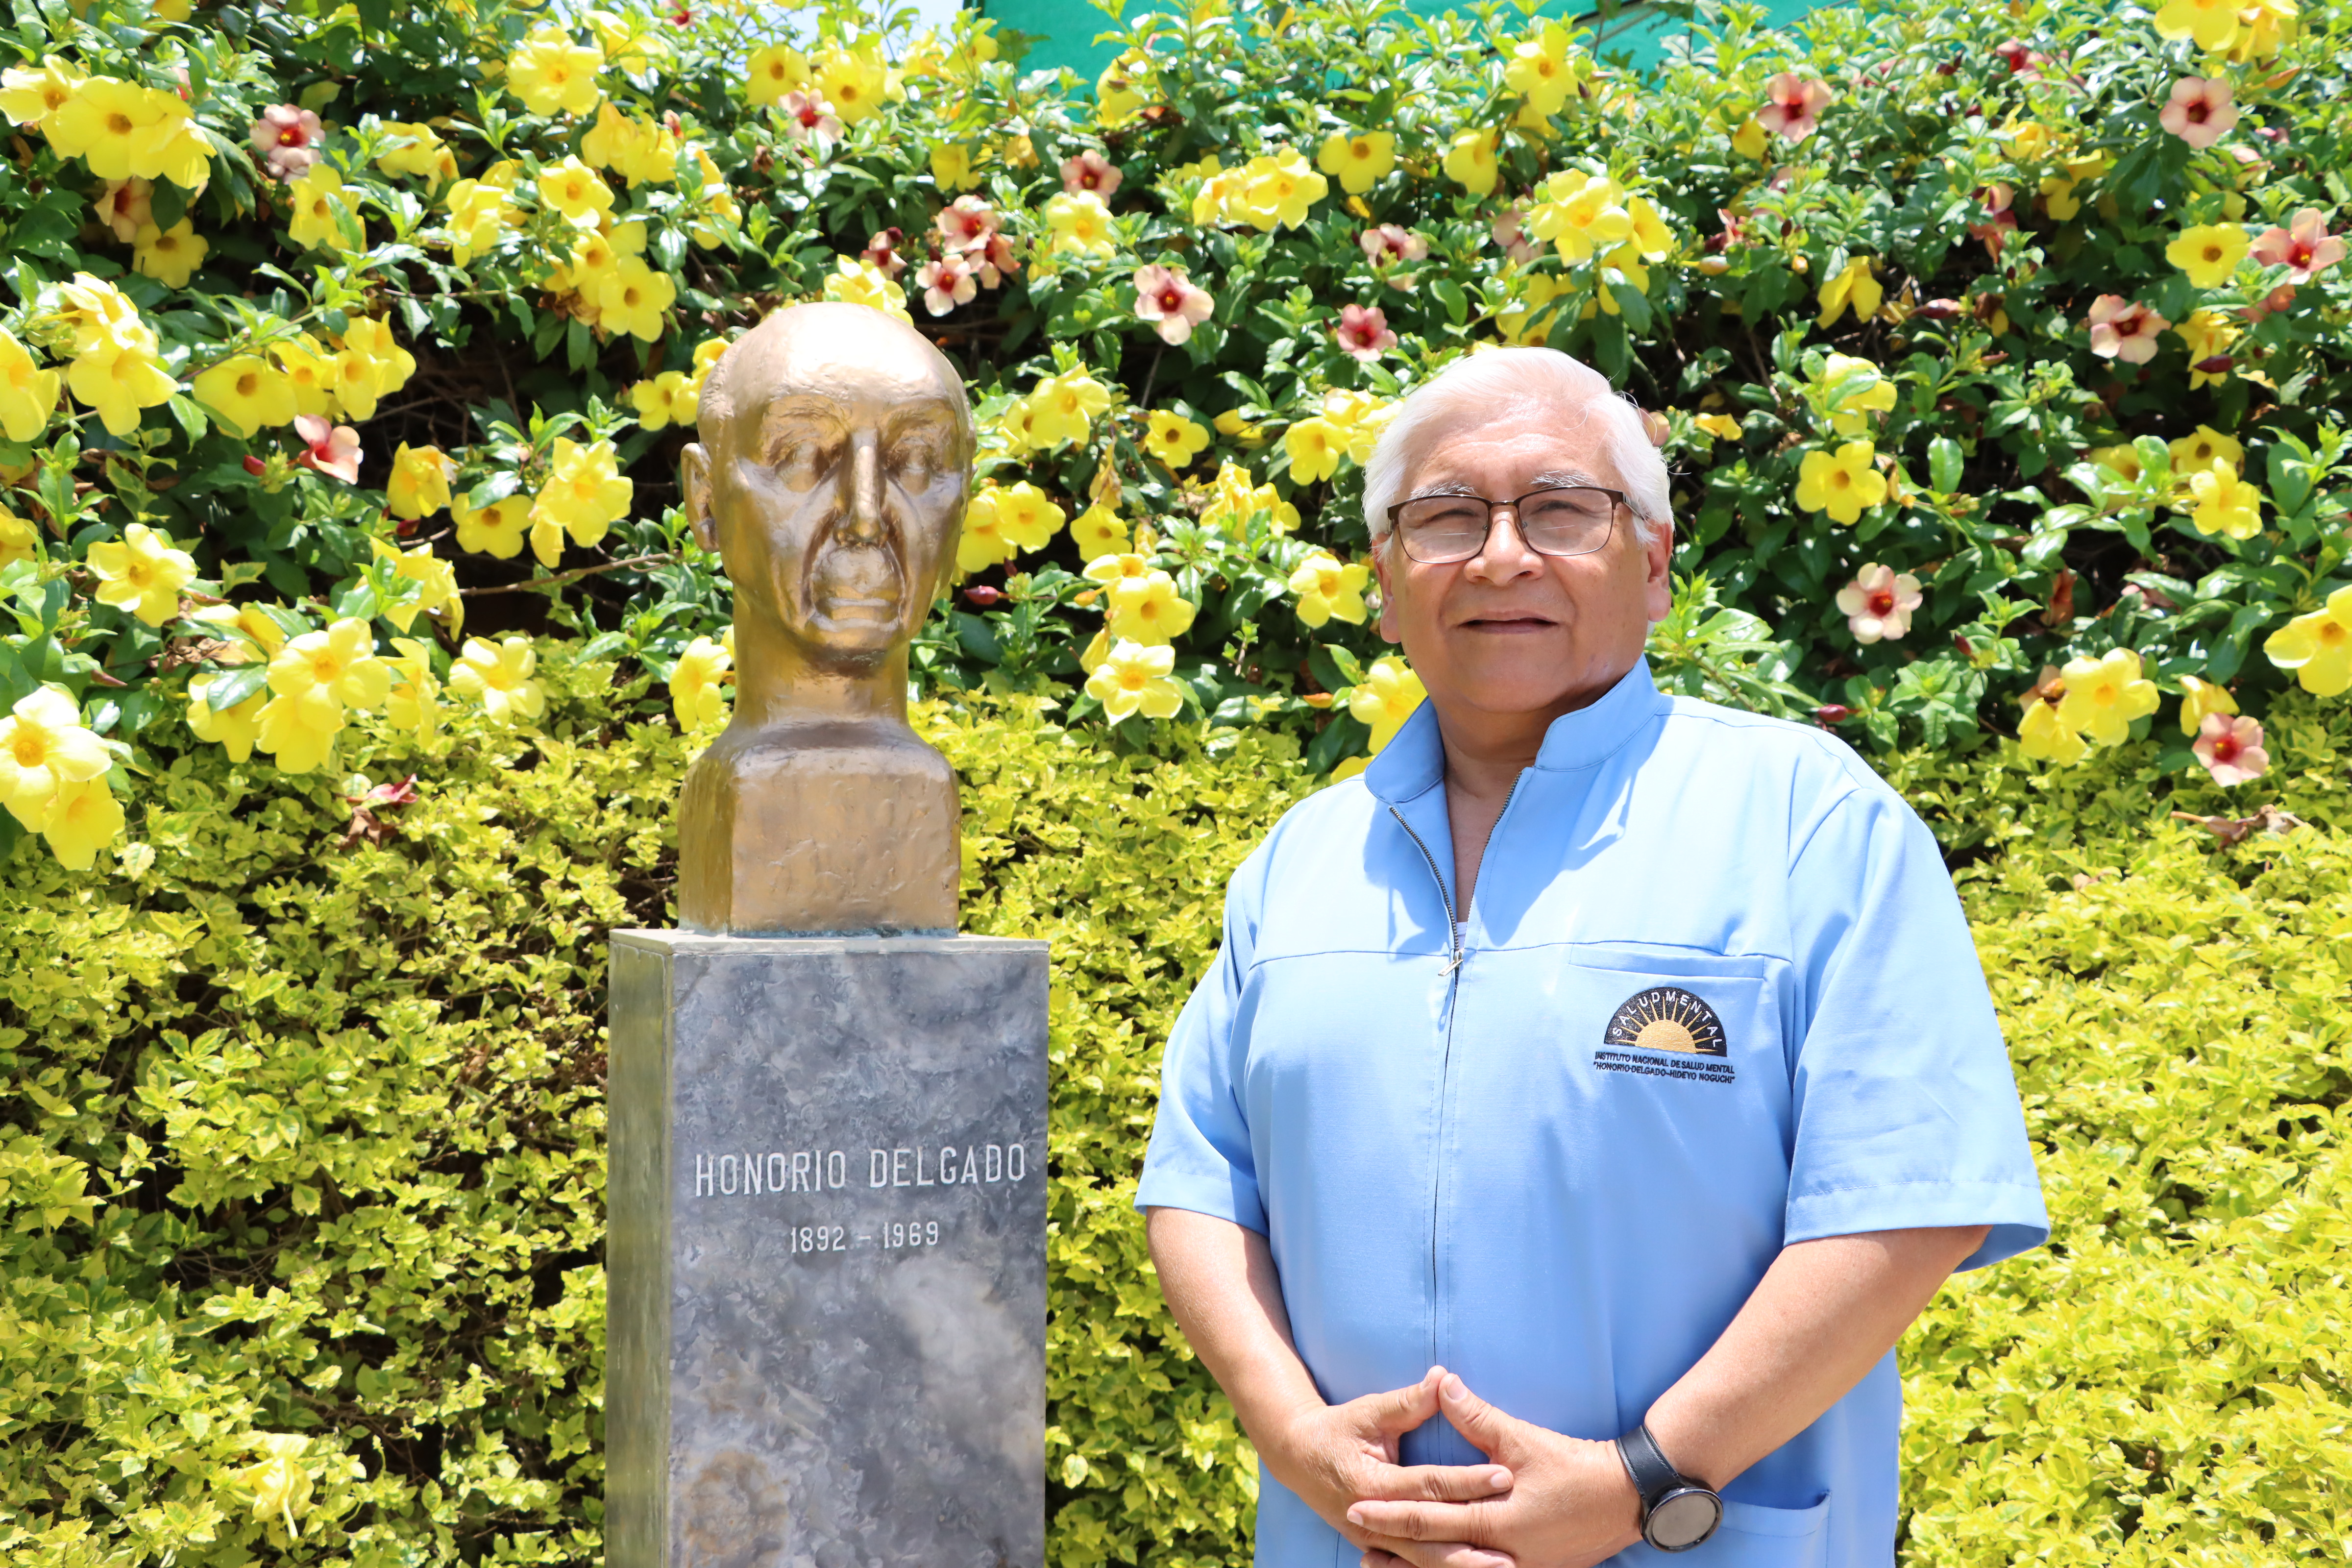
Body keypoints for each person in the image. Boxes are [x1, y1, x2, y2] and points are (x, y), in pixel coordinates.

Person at [1135, 347, 2046, 1568]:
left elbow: (1907, 1207)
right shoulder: (1304, 863)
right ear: (1386, 585)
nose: (1502, 555)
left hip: (1696, 1538)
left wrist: (1639, 1481)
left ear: (1656, 563)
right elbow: (1200, 1184)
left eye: (1561, 509)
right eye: (1447, 516)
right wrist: (1295, 1434)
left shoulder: (1807, 822)